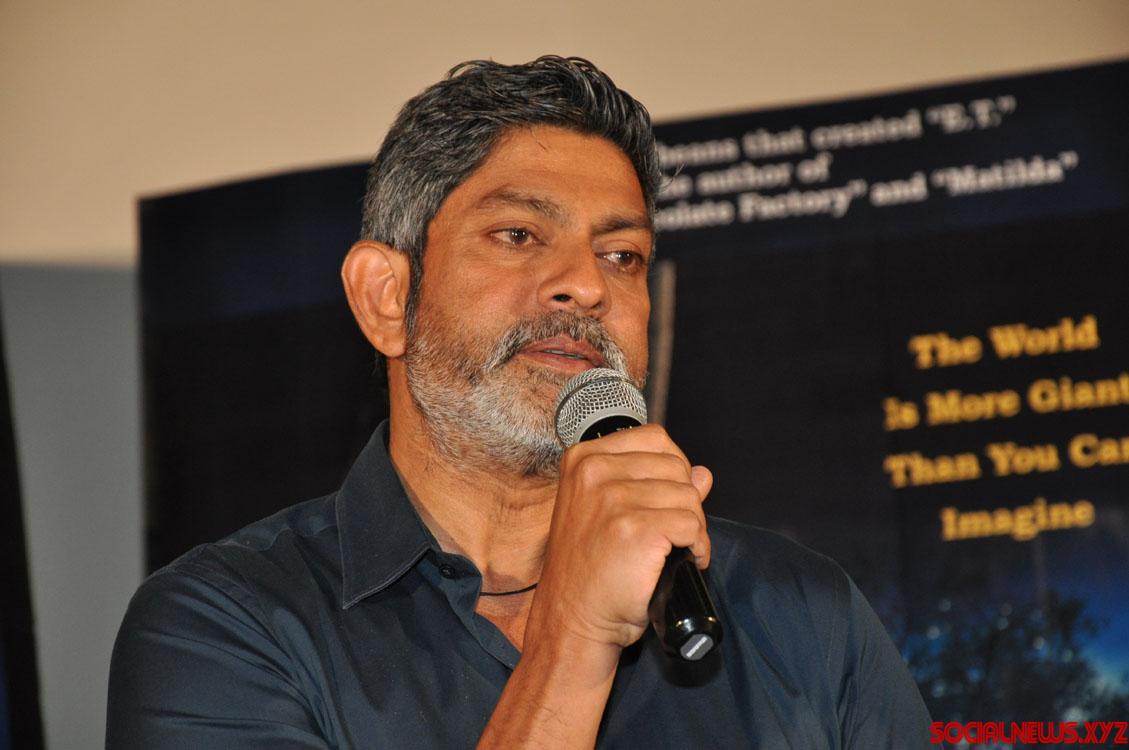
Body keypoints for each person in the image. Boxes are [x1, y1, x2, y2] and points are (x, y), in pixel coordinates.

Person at [107, 56, 931, 748]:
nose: (584, 285)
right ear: (387, 297)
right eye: (518, 235)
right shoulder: (224, 625)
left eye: (622, 254)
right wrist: (573, 641)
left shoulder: (802, 613)